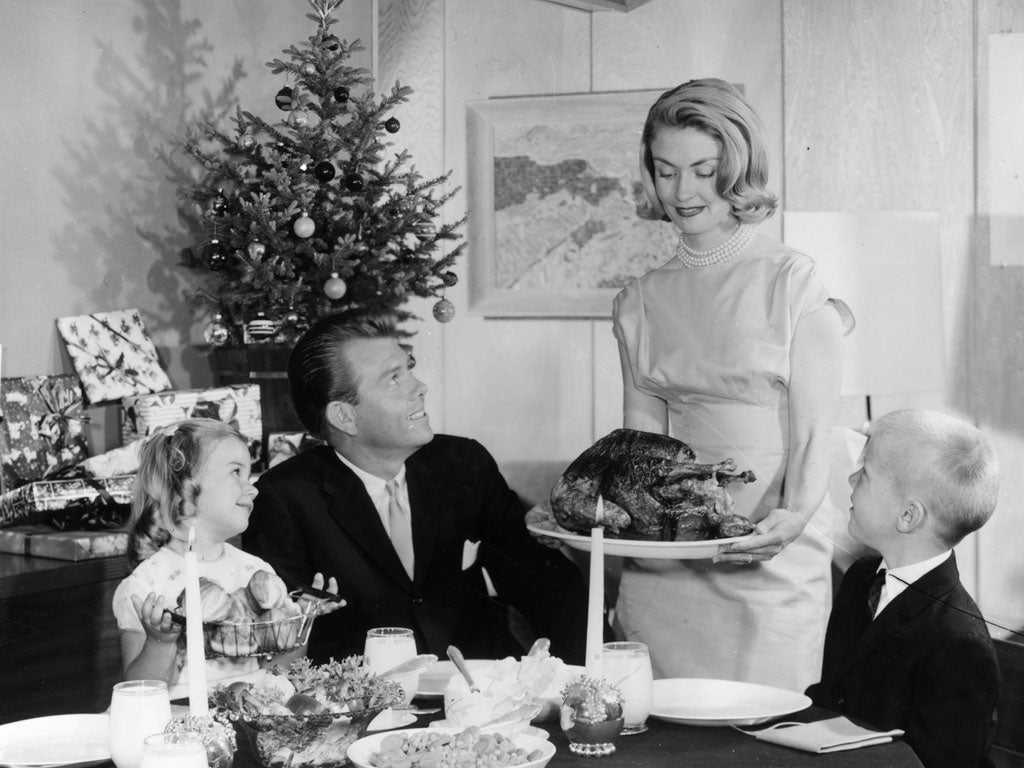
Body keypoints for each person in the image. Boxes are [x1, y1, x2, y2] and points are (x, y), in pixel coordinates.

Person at [609, 78, 851, 690]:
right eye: (665, 171)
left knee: (763, 729)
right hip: (667, 561)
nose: (682, 192)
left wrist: (793, 517)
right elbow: (643, 436)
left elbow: (816, 429)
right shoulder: (638, 299)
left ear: (738, 170)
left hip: (770, 549)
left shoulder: (792, 280)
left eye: (702, 170)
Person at [242, 310, 590, 666]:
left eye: (408, 368)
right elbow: (280, 640)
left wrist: (585, 680)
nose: (419, 387)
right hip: (368, 705)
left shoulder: (463, 463)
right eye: (393, 379)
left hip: (481, 687)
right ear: (343, 416)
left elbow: (545, 583)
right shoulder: (284, 498)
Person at [806, 410, 1000, 768]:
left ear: (908, 516)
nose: (850, 478)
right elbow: (831, 699)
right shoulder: (862, 576)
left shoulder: (959, 642)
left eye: (864, 473)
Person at [111, 418, 338, 700]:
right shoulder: (147, 585)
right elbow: (137, 692)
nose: (253, 488)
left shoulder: (256, 572)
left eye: (250, 474)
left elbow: (280, 673)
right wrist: (159, 641)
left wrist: (299, 622)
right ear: (184, 488)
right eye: (236, 473)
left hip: (249, 722)